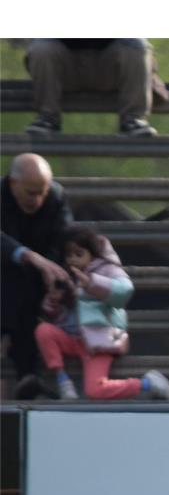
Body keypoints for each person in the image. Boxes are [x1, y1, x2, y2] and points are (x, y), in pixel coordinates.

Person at [32, 225, 169, 400]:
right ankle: (63, 380)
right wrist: (53, 303)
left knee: (95, 390)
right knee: (43, 330)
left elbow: (124, 291)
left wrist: (92, 283)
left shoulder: (108, 269)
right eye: (69, 255)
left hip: (100, 340)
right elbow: (62, 316)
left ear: (92, 253)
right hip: (73, 338)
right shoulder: (66, 275)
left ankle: (147, 384)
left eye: (78, 254)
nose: (73, 260)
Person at [3, 153, 74, 392]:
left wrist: (52, 275)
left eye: (42, 192)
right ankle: (28, 374)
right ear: (13, 183)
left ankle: (28, 376)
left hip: (35, 282)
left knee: (29, 299)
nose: (38, 200)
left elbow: (63, 240)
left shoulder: (57, 196)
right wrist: (28, 255)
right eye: (31, 193)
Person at [24, 39, 159, 137]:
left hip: (111, 69)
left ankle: (133, 119)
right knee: (41, 48)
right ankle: (47, 118)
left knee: (136, 45)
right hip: (64, 71)